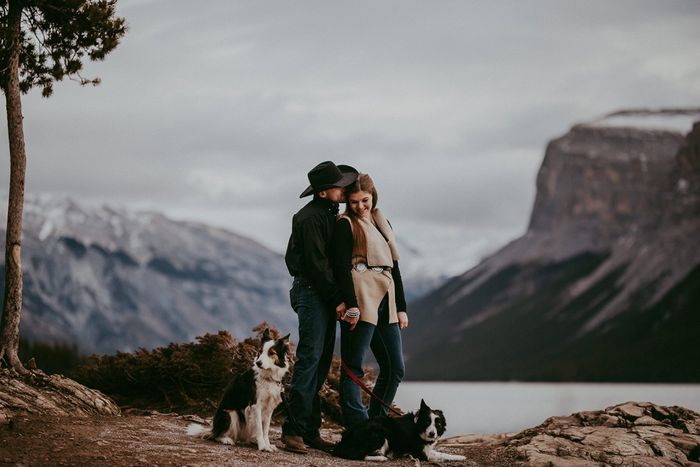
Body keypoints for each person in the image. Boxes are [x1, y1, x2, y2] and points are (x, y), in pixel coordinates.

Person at [281, 160, 358, 454]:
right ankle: (293, 432)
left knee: (321, 361)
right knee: (310, 359)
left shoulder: (325, 213)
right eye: (338, 187)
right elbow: (316, 265)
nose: (343, 190)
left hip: (319, 294)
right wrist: (338, 299)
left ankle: (309, 430)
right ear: (324, 192)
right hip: (313, 293)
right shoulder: (310, 218)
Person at [331, 173, 408, 429]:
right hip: (361, 298)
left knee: (395, 368)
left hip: (387, 298)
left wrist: (402, 308)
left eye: (365, 200)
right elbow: (341, 268)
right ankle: (358, 426)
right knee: (353, 366)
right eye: (354, 202)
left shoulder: (382, 221)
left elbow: (394, 267)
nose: (360, 206)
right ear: (347, 203)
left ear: (373, 196)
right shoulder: (345, 224)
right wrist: (351, 304)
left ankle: (377, 425)